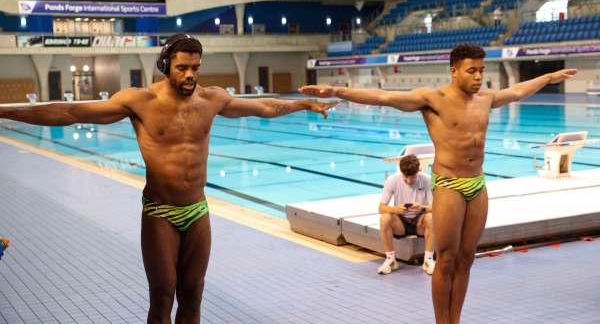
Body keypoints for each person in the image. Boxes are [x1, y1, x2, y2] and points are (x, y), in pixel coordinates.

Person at [0, 32, 338, 324]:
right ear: (166, 66)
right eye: (182, 68)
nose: (191, 75)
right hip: (160, 212)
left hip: (198, 211)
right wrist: (5, 111)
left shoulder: (212, 99)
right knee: (162, 298)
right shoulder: (140, 101)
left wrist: (303, 105)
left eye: (195, 68)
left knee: (193, 295)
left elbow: (263, 107)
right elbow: (70, 112)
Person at [298, 44, 576, 324]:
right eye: (471, 71)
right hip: (449, 184)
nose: (478, 77)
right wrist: (336, 91)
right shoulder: (433, 99)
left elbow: (517, 91)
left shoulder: (486, 98)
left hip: (477, 184)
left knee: (467, 257)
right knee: (445, 258)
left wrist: (548, 77)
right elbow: (383, 96)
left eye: (481, 70)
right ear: (454, 71)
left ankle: (454, 320)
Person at [378, 155, 435, 275]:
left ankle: (428, 260)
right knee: (384, 218)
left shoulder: (426, 180)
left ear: (418, 172)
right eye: (406, 177)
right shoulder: (392, 181)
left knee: (431, 217)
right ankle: (390, 260)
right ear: (401, 172)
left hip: (420, 222)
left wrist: (422, 208)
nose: (409, 181)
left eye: (412, 177)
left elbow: (436, 208)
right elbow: (381, 208)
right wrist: (396, 209)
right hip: (400, 223)